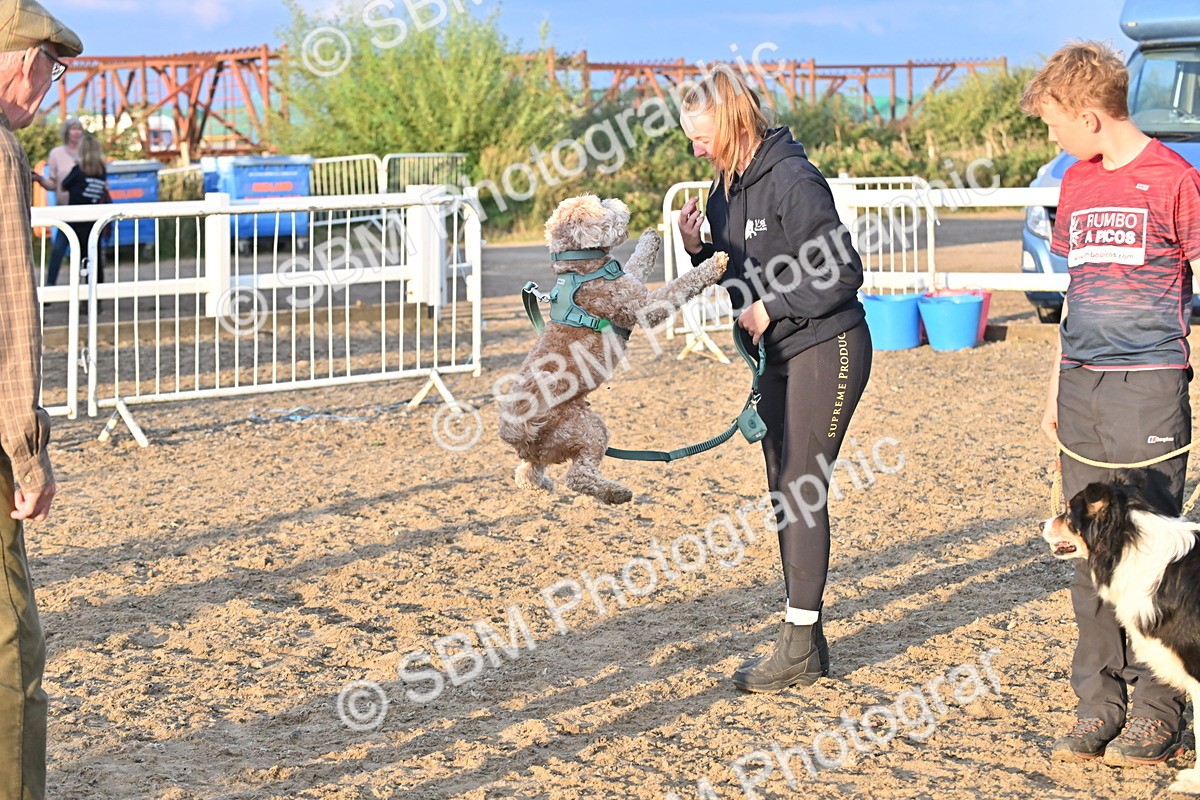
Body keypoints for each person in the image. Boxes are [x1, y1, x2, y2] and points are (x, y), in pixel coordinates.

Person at [1022, 42, 1200, 767]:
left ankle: (1160, 713)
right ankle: (1100, 703)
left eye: (1054, 123)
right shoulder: (1076, 182)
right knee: (1085, 552)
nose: (1051, 137)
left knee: (1158, 550)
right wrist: (1053, 387)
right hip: (1083, 386)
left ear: (1089, 116)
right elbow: (1077, 295)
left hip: (1151, 384)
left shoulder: (1177, 179)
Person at [678, 67, 872, 692]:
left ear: (734, 123)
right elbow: (737, 277)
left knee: (800, 484)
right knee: (779, 484)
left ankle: (796, 639)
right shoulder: (723, 187)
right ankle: (804, 636)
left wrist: (774, 307)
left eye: (701, 136)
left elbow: (844, 272)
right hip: (778, 354)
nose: (696, 148)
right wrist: (694, 249)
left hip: (828, 343)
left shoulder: (792, 178)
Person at [0, 1, 82, 797]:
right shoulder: (0, 149)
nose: (50, 86)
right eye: (51, 67)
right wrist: (30, 452)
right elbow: (11, 315)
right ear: (22, 58)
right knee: (9, 653)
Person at [30, 116, 80, 285]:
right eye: (73, 128)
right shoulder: (56, 154)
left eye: (79, 128)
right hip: (65, 209)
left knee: (87, 252)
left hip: (84, 208)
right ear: (66, 132)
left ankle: (90, 293)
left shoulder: (88, 153)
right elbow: (54, 183)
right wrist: (39, 179)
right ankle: (51, 287)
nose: (76, 132)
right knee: (58, 250)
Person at [58, 131, 106, 282]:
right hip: (95, 220)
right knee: (95, 257)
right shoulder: (101, 171)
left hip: (76, 220)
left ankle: (80, 293)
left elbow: (64, 185)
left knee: (78, 257)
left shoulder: (78, 170)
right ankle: (97, 294)